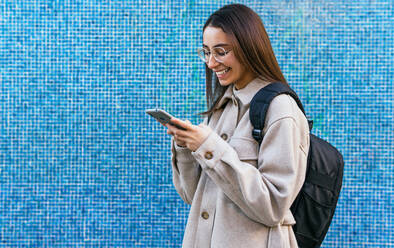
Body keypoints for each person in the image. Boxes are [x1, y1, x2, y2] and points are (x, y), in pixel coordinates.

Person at [164, 4, 310, 248]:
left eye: (221, 52)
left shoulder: (281, 109)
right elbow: (194, 196)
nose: (211, 63)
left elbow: (274, 206)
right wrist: (186, 147)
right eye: (206, 52)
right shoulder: (221, 109)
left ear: (249, 48)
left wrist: (209, 146)